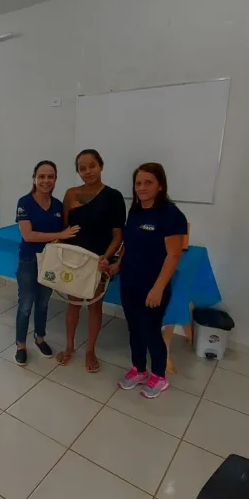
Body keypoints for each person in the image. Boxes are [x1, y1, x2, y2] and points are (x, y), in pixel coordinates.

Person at [112, 163, 187, 399]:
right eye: (138, 183)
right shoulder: (135, 212)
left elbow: (174, 255)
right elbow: (128, 245)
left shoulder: (171, 215)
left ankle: (159, 376)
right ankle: (139, 369)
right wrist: (117, 265)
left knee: (150, 330)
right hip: (129, 282)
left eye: (148, 182)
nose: (142, 187)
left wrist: (158, 288)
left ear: (160, 185)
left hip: (153, 286)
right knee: (134, 328)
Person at [57, 149, 126, 372]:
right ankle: (69, 347)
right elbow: (64, 229)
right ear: (78, 171)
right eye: (82, 168)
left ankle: (90, 351)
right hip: (73, 260)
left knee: (95, 306)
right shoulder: (70, 194)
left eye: (92, 165)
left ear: (101, 166)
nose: (88, 171)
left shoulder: (114, 196)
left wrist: (105, 259)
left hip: (99, 261)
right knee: (73, 304)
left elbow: (118, 236)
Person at [14, 161, 80, 366]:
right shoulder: (24, 202)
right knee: (26, 304)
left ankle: (40, 338)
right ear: (34, 178)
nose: (46, 181)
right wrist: (59, 234)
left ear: (55, 179)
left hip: (51, 262)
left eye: (50, 177)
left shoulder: (59, 205)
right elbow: (28, 235)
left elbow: (62, 236)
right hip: (29, 260)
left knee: (43, 303)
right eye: (41, 176)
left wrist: (60, 238)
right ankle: (21, 345)